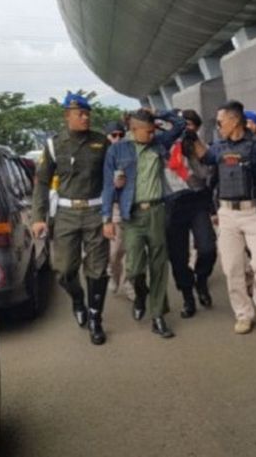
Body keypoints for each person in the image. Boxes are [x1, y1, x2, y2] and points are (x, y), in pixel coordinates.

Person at [194, 100, 256, 335]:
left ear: (234, 121)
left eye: (221, 121)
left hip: (253, 213)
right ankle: (243, 314)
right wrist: (189, 135)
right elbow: (204, 156)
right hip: (227, 214)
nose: (218, 125)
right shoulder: (219, 146)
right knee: (232, 268)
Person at [32, 92, 110, 346]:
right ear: (67, 116)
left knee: (97, 268)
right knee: (64, 270)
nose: (85, 117)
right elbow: (42, 182)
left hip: (96, 211)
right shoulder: (55, 145)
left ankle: (96, 318)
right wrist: (38, 217)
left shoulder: (101, 142)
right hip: (65, 214)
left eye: (87, 113)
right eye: (80, 114)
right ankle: (78, 299)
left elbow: (111, 177)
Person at [101, 108, 186, 339]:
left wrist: (158, 113)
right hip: (131, 215)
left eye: (153, 130)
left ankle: (158, 315)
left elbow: (180, 125)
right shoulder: (117, 150)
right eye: (147, 131)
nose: (152, 134)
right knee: (135, 268)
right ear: (134, 129)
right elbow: (109, 186)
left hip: (157, 211)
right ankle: (140, 295)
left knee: (159, 264)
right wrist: (107, 218)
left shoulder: (158, 142)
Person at [164, 109, 217, 318]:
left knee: (207, 248)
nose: (186, 128)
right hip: (172, 205)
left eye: (191, 125)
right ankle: (187, 296)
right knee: (178, 256)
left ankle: (201, 280)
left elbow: (207, 173)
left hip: (196, 202)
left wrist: (193, 147)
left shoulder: (198, 146)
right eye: (182, 124)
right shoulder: (161, 144)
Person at [103, 121, 136, 301]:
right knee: (115, 251)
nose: (117, 139)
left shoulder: (131, 153)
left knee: (133, 249)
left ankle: (129, 283)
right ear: (107, 137)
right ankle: (113, 275)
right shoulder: (103, 156)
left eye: (121, 135)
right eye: (113, 135)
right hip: (114, 208)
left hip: (133, 207)